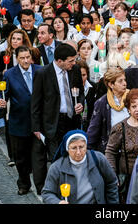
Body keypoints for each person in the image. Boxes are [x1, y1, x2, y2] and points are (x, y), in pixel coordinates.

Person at [31, 43, 85, 195]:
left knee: (73, 155)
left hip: (71, 120)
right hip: (52, 123)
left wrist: (80, 103)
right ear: (59, 61)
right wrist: (36, 128)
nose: (74, 63)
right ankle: (57, 190)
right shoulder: (43, 73)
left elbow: (80, 92)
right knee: (57, 158)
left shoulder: (74, 70)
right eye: (71, 61)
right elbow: (36, 101)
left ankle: (71, 187)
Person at [0, 46, 41, 195]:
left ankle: (41, 186)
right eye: (22, 58)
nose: (26, 60)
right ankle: (23, 184)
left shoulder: (40, 70)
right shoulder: (10, 74)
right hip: (19, 121)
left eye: (28, 57)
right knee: (21, 158)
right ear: (17, 59)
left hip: (38, 121)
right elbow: (4, 94)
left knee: (39, 157)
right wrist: (1, 101)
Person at [41, 130, 119, 204]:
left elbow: (112, 183)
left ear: (86, 146)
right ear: (67, 149)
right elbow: (47, 193)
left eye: (81, 147)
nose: (78, 152)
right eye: (74, 148)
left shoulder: (98, 159)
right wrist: (58, 202)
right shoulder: (56, 168)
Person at [87, 67, 129, 153]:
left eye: (124, 80)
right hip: (111, 149)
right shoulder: (102, 103)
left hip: (131, 148)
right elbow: (94, 130)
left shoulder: (132, 98)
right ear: (111, 84)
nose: (124, 83)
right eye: (120, 81)